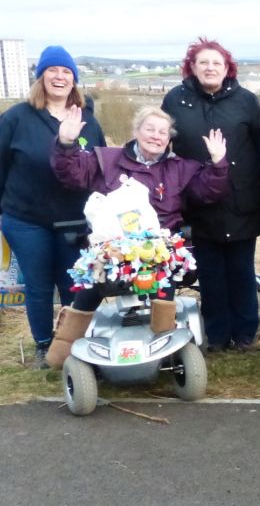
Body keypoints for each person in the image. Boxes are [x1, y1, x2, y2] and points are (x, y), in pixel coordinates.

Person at [45, 106, 228, 367]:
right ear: (136, 131)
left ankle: (167, 351)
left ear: (169, 138)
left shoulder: (179, 168)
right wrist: (66, 143)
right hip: (112, 247)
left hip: (157, 249)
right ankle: (62, 351)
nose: (156, 136)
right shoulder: (107, 159)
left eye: (162, 132)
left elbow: (207, 192)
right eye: (150, 129)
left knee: (163, 280)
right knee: (91, 284)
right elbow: (71, 173)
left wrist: (218, 163)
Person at [0, 45, 106, 366]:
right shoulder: (16, 118)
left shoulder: (87, 120)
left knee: (75, 283)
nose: (60, 77)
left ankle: (74, 344)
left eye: (66, 72)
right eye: (52, 71)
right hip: (26, 219)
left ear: (73, 79)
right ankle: (44, 346)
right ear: (41, 77)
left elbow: (102, 169)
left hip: (75, 221)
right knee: (39, 285)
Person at [161, 37, 260, 352]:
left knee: (241, 270)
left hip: (241, 199)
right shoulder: (175, 100)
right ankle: (217, 334)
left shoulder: (245, 100)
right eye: (203, 62)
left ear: (227, 68)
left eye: (216, 63)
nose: (210, 68)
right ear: (192, 67)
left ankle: (245, 334)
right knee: (210, 273)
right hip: (198, 202)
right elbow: (162, 146)